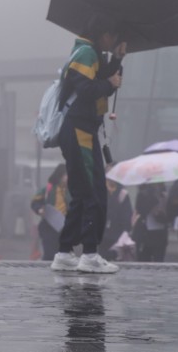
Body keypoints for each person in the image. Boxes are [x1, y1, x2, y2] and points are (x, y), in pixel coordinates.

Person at [50, 15, 125, 274]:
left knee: (82, 193)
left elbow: (101, 84)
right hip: (79, 129)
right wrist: (109, 83)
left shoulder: (91, 52)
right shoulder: (85, 53)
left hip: (84, 129)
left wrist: (116, 60)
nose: (114, 41)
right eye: (113, 36)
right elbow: (88, 89)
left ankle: (64, 251)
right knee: (92, 193)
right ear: (105, 34)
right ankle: (90, 254)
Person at [31, 163, 69, 261]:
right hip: (49, 227)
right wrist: (39, 209)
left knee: (64, 255)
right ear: (60, 175)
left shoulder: (73, 190)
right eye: (66, 175)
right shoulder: (48, 189)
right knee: (50, 254)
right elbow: (35, 202)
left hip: (66, 228)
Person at [132, 183, 168, 262]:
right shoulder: (143, 194)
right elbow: (140, 210)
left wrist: (160, 214)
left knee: (159, 260)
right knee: (144, 260)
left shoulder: (164, 195)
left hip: (160, 234)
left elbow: (169, 215)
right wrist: (153, 201)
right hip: (145, 233)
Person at [100, 176, 133, 261]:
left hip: (117, 233)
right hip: (102, 233)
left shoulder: (122, 193)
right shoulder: (101, 190)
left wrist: (126, 230)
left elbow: (127, 214)